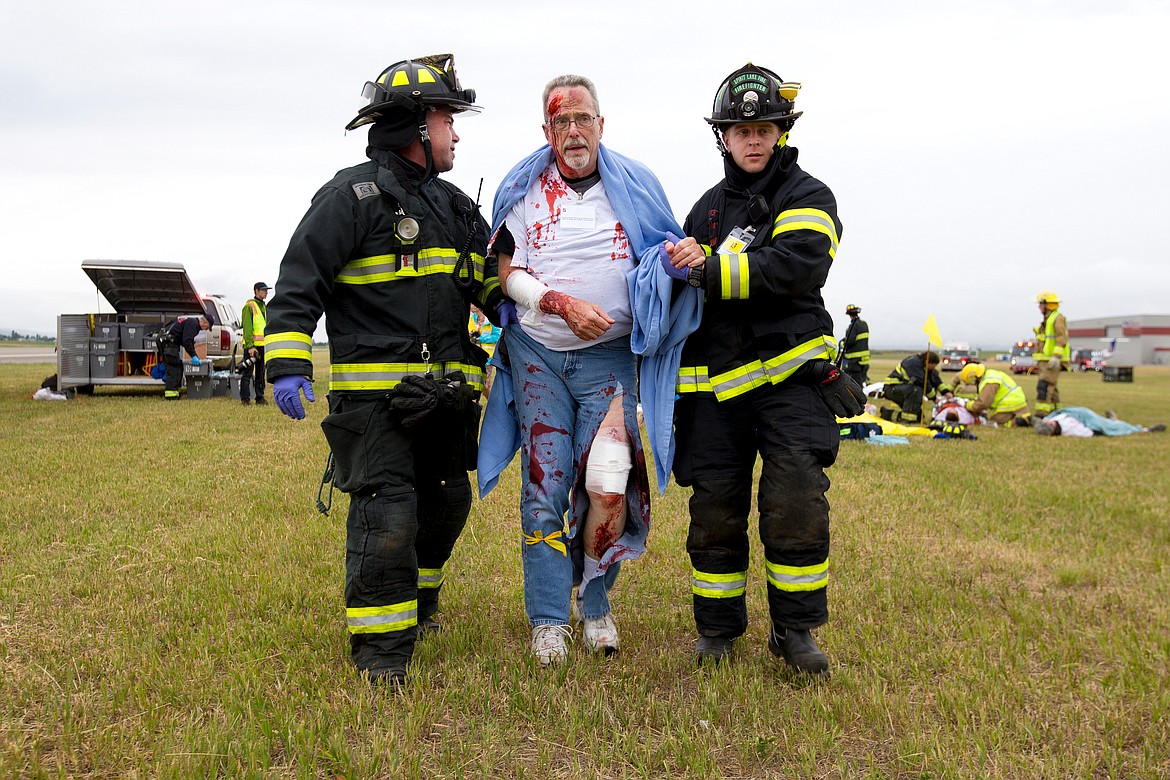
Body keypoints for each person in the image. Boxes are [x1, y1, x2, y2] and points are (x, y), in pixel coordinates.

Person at [264, 54, 502, 687]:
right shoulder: (350, 198)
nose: (456, 133)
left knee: (446, 507)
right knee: (388, 517)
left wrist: (528, 308)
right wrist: (286, 362)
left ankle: (418, 609)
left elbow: (486, 284)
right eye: (449, 119)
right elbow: (296, 287)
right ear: (420, 127)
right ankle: (381, 652)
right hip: (379, 407)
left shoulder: (455, 207)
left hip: (447, 400)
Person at [477, 74, 692, 667]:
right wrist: (558, 303)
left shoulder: (637, 186)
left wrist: (681, 258)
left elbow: (665, 250)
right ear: (546, 130)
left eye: (583, 119)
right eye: (560, 122)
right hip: (539, 357)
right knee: (544, 488)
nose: (573, 131)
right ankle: (549, 619)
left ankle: (595, 601)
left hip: (610, 361)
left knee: (608, 485)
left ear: (602, 124)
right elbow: (506, 271)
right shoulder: (524, 189)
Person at [661, 63, 865, 674]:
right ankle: (717, 633)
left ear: (782, 132)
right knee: (714, 510)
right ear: (722, 136)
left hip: (791, 386)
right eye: (741, 128)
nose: (753, 138)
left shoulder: (807, 196)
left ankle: (795, 631)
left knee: (795, 502)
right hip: (715, 395)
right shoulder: (703, 212)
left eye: (765, 127)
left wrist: (708, 269)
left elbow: (795, 266)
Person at [949, 362, 1029, 426]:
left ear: (974, 378)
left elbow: (983, 403)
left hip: (1009, 405)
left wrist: (967, 405)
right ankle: (1025, 419)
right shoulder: (990, 374)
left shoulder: (988, 382)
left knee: (993, 424)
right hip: (1017, 402)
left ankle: (1019, 423)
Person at [879, 351, 943, 424]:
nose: (934, 368)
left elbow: (936, 381)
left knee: (919, 417)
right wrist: (934, 398)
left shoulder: (924, 366)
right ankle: (907, 420)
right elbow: (923, 383)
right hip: (892, 388)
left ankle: (887, 414)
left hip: (903, 389)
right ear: (927, 361)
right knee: (916, 390)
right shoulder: (914, 364)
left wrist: (946, 392)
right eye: (933, 365)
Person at [1032, 290, 1069, 418]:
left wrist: (1056, 356)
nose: (1039, 307)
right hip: (1045, 361)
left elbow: (1061, 338)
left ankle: (1041, 415)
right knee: (1052, 390)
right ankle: (1057, 414)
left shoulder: (1056, 318)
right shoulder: (1048, 319)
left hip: (1051, 361)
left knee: (1044, 386)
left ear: (1047, 304)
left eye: (1040, 304)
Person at [159, 314, 209, 400]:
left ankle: (175, 392)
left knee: (177, 367)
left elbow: (185, 340)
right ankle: (171, 396)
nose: (206, 329)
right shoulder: (193, 324)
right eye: (208, 327)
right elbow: (186, 341)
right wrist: (193, 356)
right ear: (204, 323)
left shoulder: (192, 323)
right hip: (169, 343)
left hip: (167, 342)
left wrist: (195, 355)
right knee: (174, 369)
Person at [1034, 407, 1165, 436]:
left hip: (1079, 412)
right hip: (1088, 420)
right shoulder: (1071, 429)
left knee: (1109, 424)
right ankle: (1144, 429)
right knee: (1115, 427)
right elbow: (1092, 432)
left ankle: (1111, 421)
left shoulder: (1052, 418)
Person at [239, 282, 269, 406]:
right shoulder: (249, 306)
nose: (266, 292)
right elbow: (247, 326)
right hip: (253, 346)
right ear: (256, 291)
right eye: (263, 290)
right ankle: (245, 399)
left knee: (261, 373)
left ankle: (259, 397)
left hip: (263, 345)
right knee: (247, 373)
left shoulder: (264, 306)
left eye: (267, 290)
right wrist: (250, 346)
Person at [840, 304, 870, 386]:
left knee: (856, 383)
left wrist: (842, 344)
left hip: (854, 361)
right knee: (861, 380)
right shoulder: (864, 324)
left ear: (849, 314)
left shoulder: (853, 326)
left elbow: (849, 342)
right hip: (864, 360)